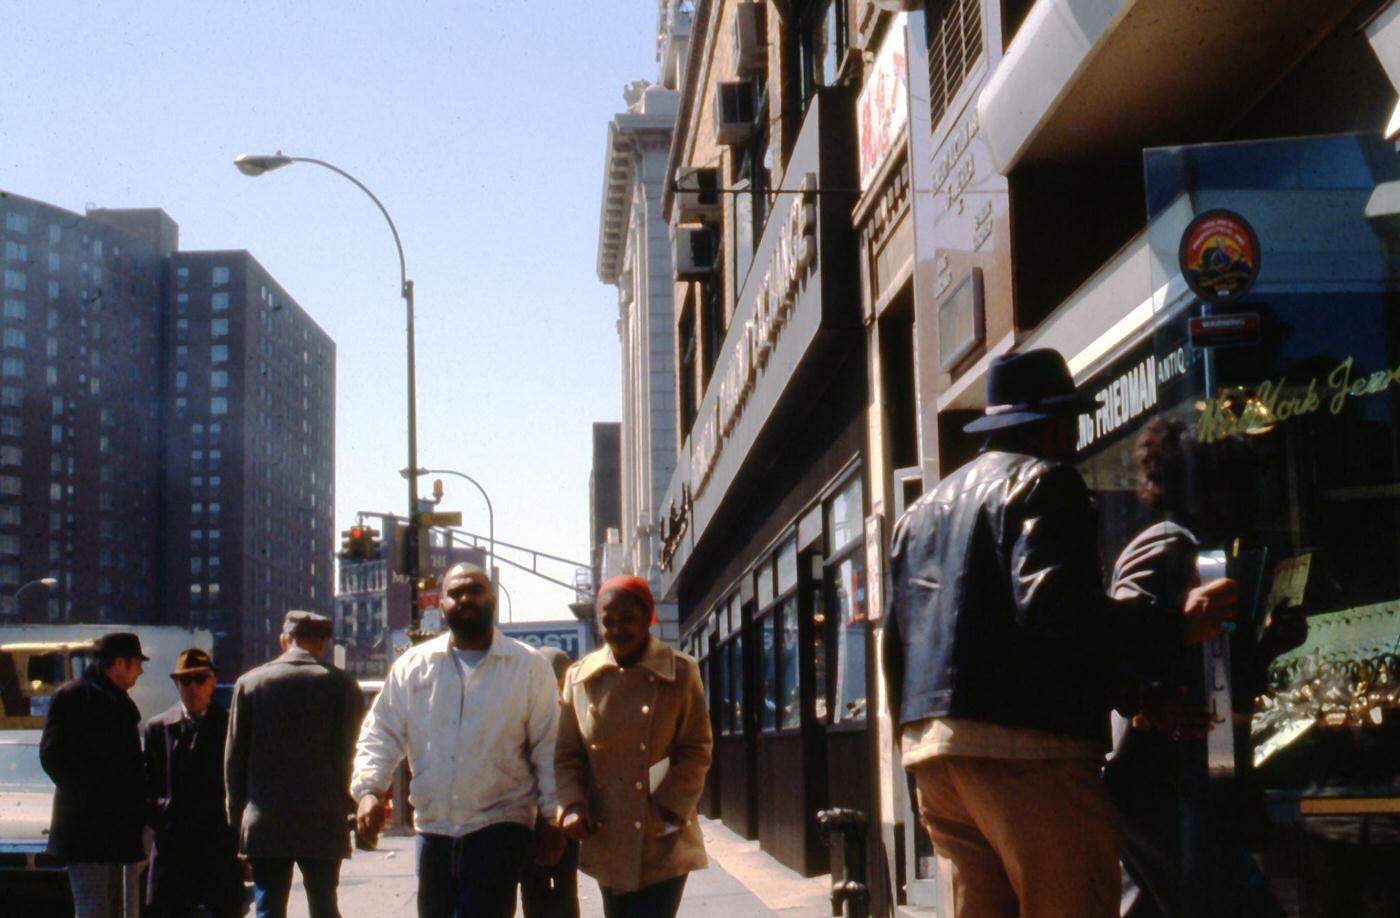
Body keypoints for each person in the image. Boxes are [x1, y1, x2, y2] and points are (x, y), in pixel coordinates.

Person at [881, 348, 1239, 918]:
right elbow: (1053, 607)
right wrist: (1176, 625)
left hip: (935, 756)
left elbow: (898, 645)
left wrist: (1136, 697)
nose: (1074, 439)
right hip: (1027, 754)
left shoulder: (919, 512)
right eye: (1071, 423)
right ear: (1053, 427)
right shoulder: (1045, 482)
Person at [352, 562, 564, 918]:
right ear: (441, 604)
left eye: (475, 590)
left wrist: (552, 816)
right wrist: (369, 791)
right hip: (434, 829)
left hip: (500, 826)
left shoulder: (527, 667)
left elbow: (549, 746)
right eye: (455, 593)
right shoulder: (414, 665)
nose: (465, 598)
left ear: (492, 600)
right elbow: (382, 731)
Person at [556, 575, 712, 918]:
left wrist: (668, 809)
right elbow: (567, 754)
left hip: (662, 832)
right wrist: (571, 805)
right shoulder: (580, 678)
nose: (617, 629)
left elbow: (696, 748)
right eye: (608, 621)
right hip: (608, 829)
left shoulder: (681, 673)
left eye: (627, 619)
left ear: (648, 618)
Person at [225, 610, 362, 918]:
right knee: (325, 905)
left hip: (265, 820)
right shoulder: (342, 686)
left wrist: (237, 816)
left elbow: (235, 758)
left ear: (284, 639)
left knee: (268, 907)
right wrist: (351, 810)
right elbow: (351, 755)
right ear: (323, 642)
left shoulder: (250, 683)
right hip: (323, 819)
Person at [39, 631, 149, 918]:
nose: (140, 671)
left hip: (113, 829)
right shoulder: (72, 696)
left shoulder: (117, 701)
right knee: (94, 909)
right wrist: (96, 798)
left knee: (113, 907)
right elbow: (53, 757)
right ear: (120, 663)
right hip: (87, 830)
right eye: (137, 663)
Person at [143, 647, 245, 918]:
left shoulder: (230, 726)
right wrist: (164, 811)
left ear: (212, 681)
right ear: (176, 684)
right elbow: (145, 785)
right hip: (173, 849)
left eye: (200, 679)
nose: (193, 687)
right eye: (185, 680)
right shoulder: (158, 728)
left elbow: (244, 781)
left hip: (218, 848)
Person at [521, 645, 581, 918]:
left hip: (539, 814)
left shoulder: (528, 710)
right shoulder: (567, 711)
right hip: (557, 811)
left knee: (536, 886)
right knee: (562, 885)